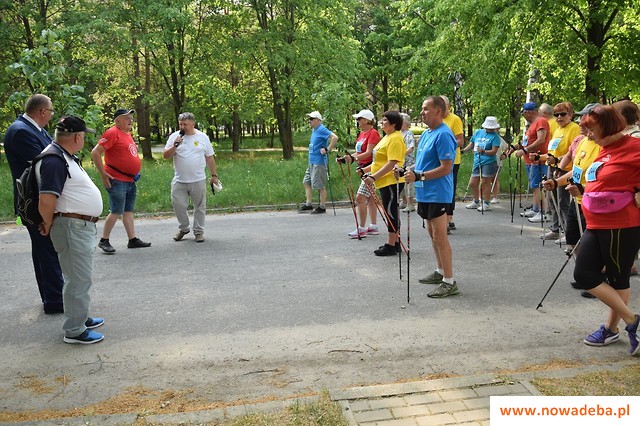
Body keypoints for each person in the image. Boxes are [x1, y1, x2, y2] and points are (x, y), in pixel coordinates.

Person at [570, 105, 640, 356]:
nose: (588, 134)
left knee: (617, 277)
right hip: (596, 223)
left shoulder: (635, 147)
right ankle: (631, 320)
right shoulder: (603, 149)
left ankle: (611, 329)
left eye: (592, 129)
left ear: (609, 126)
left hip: (622, 224)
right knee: (584, 273)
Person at [38, 116, 105, 344]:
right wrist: (48, 224)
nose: (84, 140)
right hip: (71, 227)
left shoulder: (61, 155)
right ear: (77, 137)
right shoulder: (54, 160)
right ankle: (75, 330)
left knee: (78, 277)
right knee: (78, 279)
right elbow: (46, 199)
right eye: (84, 136)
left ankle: (80, 317)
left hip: (76, 226)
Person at [3, 94, 65, 315]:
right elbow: (43, 163)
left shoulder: (33, 129)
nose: (51, 116)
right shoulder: (21, 132)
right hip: (34, 202)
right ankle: (55, 299)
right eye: (51, 111)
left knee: (43, 250)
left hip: (38, 199)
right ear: (42, 111)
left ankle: (51, 296)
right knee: (47, 251)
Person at [542, 103, 601, 298]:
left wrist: (583, 188)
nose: (582, 123)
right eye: (582, 118)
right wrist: (555, 182)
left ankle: (597, 279)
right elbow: (575, 171)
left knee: (592, 244)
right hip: (578, 200)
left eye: (587, 120)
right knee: (573, 238)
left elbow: (603, 177)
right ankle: (585, 274)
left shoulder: (603, 146)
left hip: (593, 202)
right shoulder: (582, 142)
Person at [403, 96, 458, 298]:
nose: (422, 112)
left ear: (438, 111)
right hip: (424, 192)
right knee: (432, 234)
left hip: (438, 193)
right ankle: (440, 271)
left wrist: (419, 176)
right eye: (422, 108)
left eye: (426, 108)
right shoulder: (427, 133)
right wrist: (408, 170)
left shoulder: (444, 134)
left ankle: (449, 281)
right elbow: (421, 163)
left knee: (440, 236)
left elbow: (446, 168)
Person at [91, 108, 151, 253]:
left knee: (128, 211)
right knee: (116, 211)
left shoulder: (127, 134)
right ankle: (104, 240)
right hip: (117, 179)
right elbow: (95, 153)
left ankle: (132, 239)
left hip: (129, 180)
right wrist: (103, 174)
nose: (130, 120)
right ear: (117, 121)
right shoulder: (112, 133)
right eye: (126, 118)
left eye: (131, 118)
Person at [163, 112, 220, 243]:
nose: (182, 127)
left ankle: (199, 231)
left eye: (185, 124)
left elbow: (209, 157)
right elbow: (166, 156)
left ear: (193, 124)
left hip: (198, 180)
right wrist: (175, 145)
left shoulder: (202, 137)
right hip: (179, 180)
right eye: (180, 124)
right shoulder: (174, 137)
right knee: (178, 205)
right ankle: (184, 228)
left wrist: (214, 175)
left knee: (200, 207)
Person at [360, 111, 406, 256]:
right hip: (384, 181)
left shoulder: (396, 138)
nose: (382, 122)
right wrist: (365, 170)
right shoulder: (386, 137)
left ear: (393, 123)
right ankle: (395, 242)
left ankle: (391, 245)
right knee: (389, 211)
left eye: (385, 120)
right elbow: (379, 161)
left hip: (391, 181)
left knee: (390, 212)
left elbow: (392, 163)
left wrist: (373, 177)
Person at [540, 102, 581, 241]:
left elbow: (573, 153)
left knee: (563, 201)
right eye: (556, 115)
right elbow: (552, 151)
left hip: (565, 170)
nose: (559, 117)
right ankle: (556, 228)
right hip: (553, 167)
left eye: (563, 114)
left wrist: (558, 161)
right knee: (552, 199)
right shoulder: (558, 130)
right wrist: (541, 157)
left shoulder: (574, 128)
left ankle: (568, 232)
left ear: (570, 114)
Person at [337, 109, 380, 238]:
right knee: (371, 197)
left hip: (371, 169)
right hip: (362, 168)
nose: (357, 121)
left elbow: (368, 153)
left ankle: (361, 228)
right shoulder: (362, 133)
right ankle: (373, 226)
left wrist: (354, 158)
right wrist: (346, 158)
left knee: (360, 198)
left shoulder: (373, 133)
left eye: (359, 119)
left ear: (367, 120)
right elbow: (359, 152)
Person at [516, 102, 550, 223]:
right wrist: (515, 147)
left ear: (528, 112)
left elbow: (541, 140)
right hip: (529, 160)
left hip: (537, 160)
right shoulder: (532, 124)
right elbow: (527, 141)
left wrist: (525, 150)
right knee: (534, 186)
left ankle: (543, 212)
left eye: (523, 114)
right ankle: (536, 209)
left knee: (538, 186)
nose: (523, 116)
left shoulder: (541, 121)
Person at [299, 111, 338, 214]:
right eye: (309, 119)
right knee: (306, 182)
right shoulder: (314, 130)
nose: (309, 121)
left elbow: (335, 137)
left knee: (319, 185)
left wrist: (327, 149)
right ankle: (308, 204)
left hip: (319, 162)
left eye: (311, 119)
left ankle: (322, 206)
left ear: (317, 120)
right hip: (311, 161)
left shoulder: (321, 129)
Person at [462, 116, 501, 212]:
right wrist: (463, 151)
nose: (489, 129)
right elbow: (472, 144)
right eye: (488, 127)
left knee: (485, 182)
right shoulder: (478, 132)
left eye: (491, 128)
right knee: (473, 183)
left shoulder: (495, 137)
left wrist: (484, 151)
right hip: (477, 161)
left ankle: (486, 203)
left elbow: (494, 151)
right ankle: (476, 201)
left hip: (489, 162)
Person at [440, 96, 464, 231]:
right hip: (438, 160)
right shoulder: (436, 120)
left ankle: (449, 217)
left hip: (452, 160)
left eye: (444, 106)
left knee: (450, 188)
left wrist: (446, 145)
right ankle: (441, 217)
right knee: (441, 188)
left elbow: (460, 140)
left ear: (448, 106)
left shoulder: (454, 119)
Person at [399, 113, 416, 212]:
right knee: (401, 182)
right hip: (400, 162)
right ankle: (404, 201)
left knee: (409, 184)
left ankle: (411, 203)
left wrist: (401, 154)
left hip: (409, 162)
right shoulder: (398, 133)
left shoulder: (409, 134)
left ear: (406, 123)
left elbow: (411, 147)